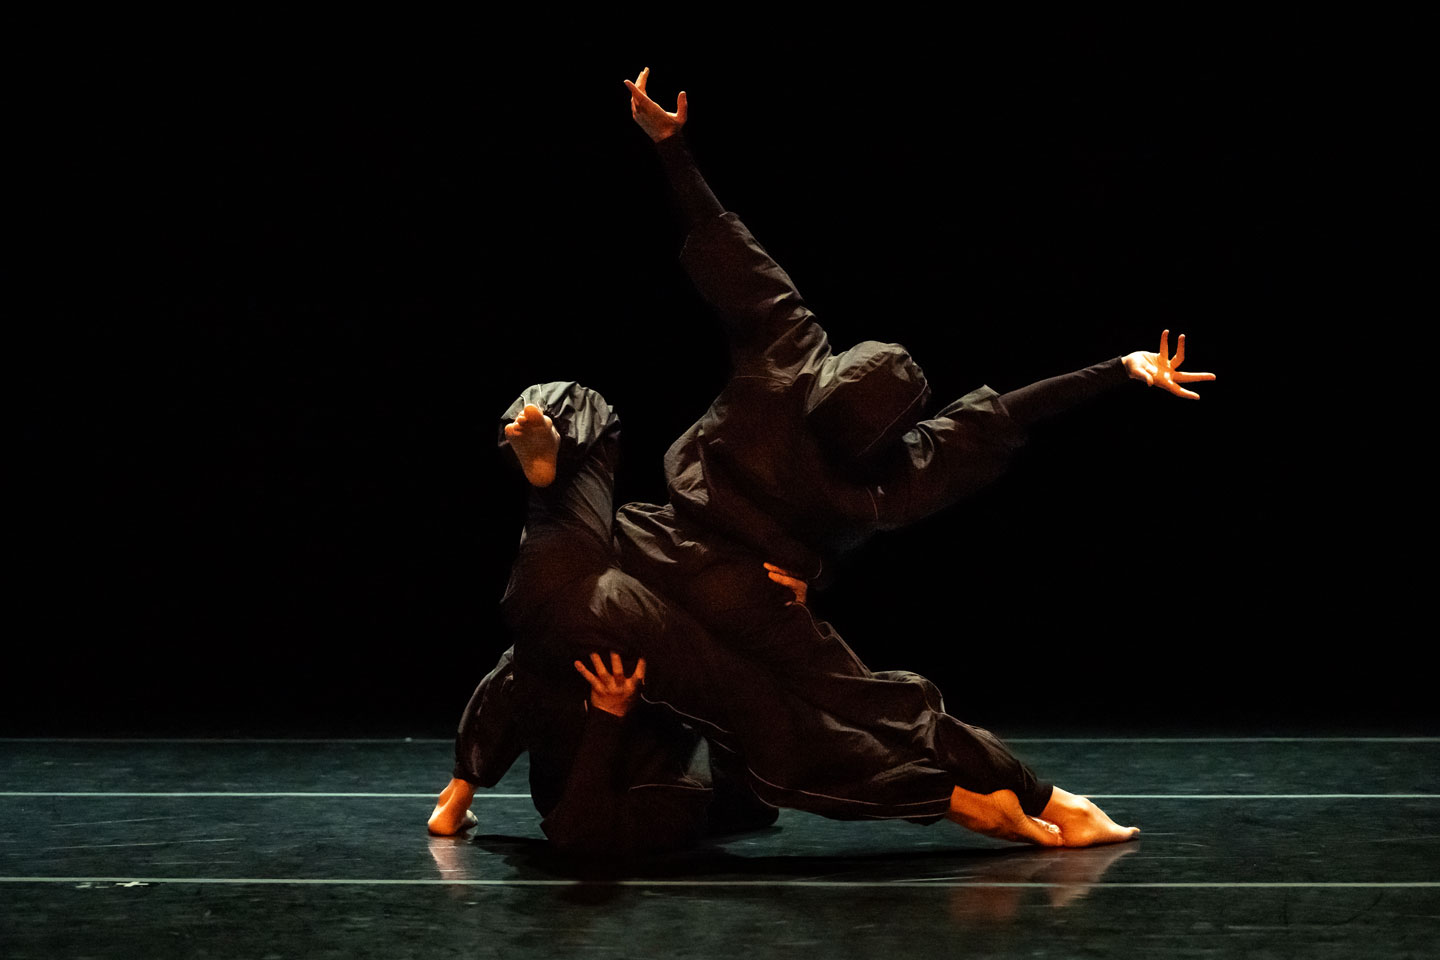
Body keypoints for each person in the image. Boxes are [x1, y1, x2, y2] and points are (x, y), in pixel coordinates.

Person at [604, 68, 1213, 843]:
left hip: (652, 549)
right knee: (876, 706)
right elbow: (1003, 415)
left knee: (744, 702)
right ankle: (1048, 801)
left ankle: (736, 795)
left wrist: (670, 148)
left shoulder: (788, 353)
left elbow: (727, 246)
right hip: (750, 597)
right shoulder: (890, 476)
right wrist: (1119, 370)